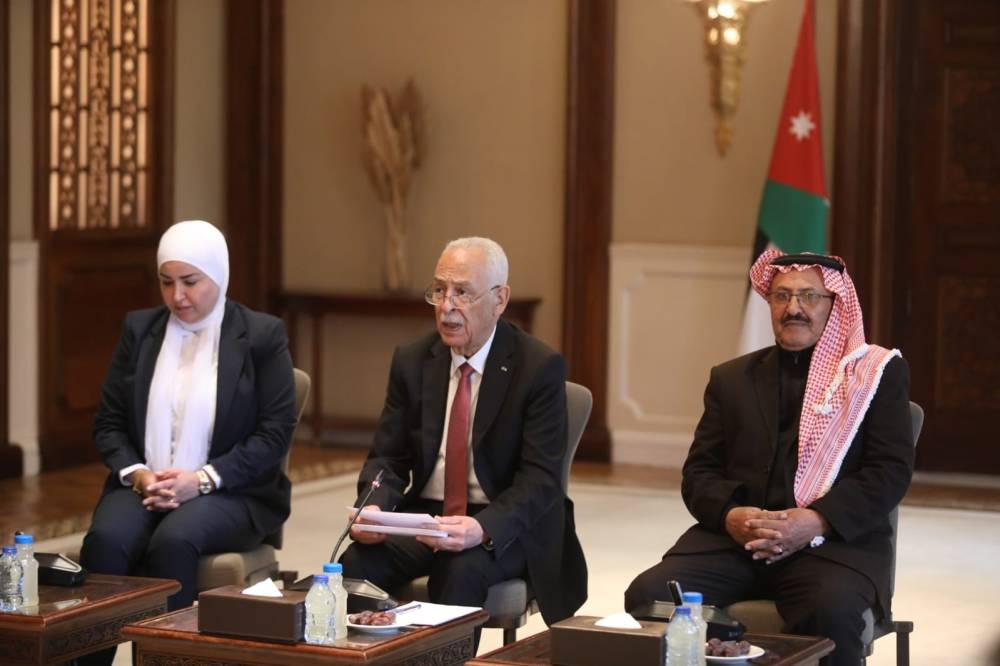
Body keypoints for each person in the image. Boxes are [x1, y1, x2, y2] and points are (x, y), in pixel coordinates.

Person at [624, 250, 913, 666]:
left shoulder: (874, 377)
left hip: (829, 547)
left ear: (835, 306)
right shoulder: (731, 378)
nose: (793, 308)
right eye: (781, 296)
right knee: (649, 596)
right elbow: (699, 473)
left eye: (809, 296)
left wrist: (817, 520)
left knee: (831, 609)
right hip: (733, 545)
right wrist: (730, 515)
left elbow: (889, 473)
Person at [339, 237, 587, 637]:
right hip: (429, 516)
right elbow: (388, 458)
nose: (447, 306)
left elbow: (540, 481)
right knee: (357, 563)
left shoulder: (538, 367)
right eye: (439, 290)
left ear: (500, 299)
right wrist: (374, 508)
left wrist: (482, 528)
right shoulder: (413, 360)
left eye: (462, 293)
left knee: (460, 570)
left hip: (503, 520)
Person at [79, 220, 296, 664]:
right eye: (166, 282)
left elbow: (273, 435)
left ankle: (165, 659)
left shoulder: (261, 335)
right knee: (105, 539)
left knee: (174, 540)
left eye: (190, 282)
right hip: (144, 485)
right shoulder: (140, 330)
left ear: (218, 275)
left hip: (232, 491)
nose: (177, 296)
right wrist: (139, 474)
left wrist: (200, 480)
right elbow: (109, 424)